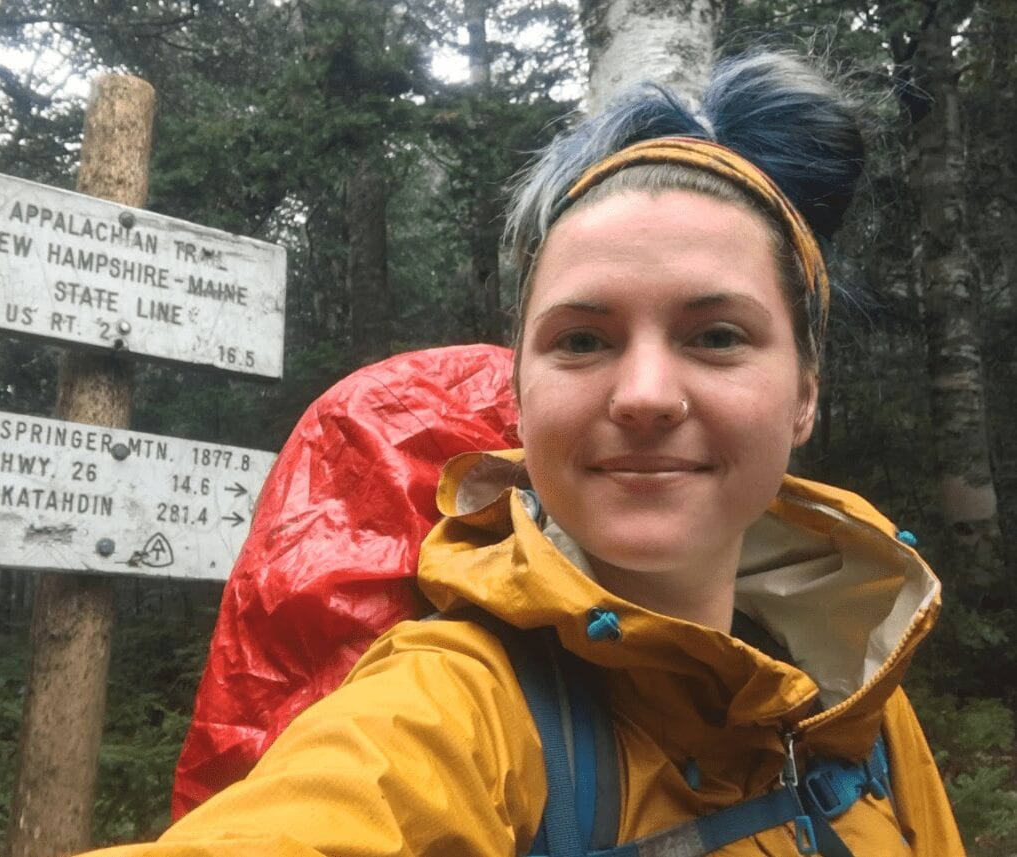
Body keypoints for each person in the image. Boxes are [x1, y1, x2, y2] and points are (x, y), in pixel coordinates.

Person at [82, 50, 965, 855]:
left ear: (805, 390)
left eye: (718, 334)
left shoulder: (860, 698)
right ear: (523, 392)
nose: (646, 393)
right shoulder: (458, 706)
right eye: (582, 341)